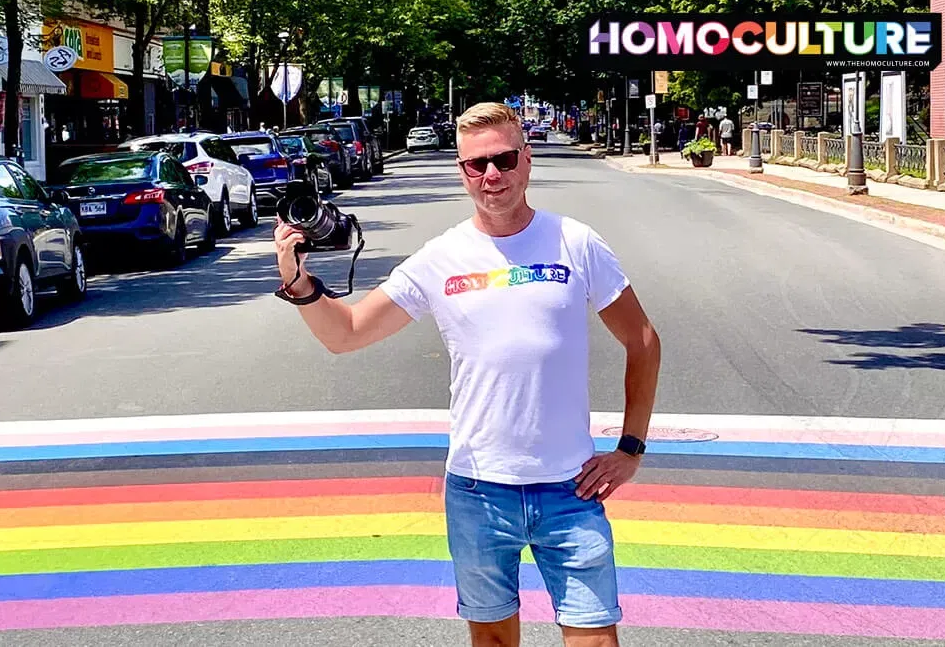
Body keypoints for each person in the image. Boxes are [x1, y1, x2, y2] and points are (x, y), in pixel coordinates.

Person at [273, 102, 661, 647]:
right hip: (480, 491)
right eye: (476, 164)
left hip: (570, 489)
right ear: (462, 171)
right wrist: (300, 283)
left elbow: (642, 340)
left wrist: (631, 449)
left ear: (527, 159)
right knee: (494, 641)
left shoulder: (576, 242)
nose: (491, 175)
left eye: (503, 158)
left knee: (595, 640)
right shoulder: (441, 256)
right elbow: (348, 333)